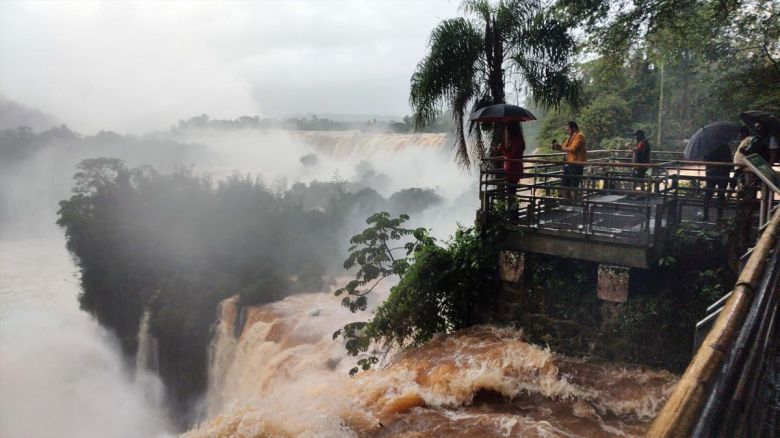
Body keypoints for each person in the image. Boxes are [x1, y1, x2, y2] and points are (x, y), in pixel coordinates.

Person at [496, 121, 525, 218]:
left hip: (513, 170)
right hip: (514, 170)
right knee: (512, 193)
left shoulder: (516, 141)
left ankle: (513, 215)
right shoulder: (517, 139)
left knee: (511, 193)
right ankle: (513, 214)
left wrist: (502, 149)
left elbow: (511, 156)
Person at [554, 121, 587, 199]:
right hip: (568, 164)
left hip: (576, 164)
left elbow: (573, 149)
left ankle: (574, 203)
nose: (567, 130)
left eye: (568, 129)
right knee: (565, 184)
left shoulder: (579, 136)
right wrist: (557, 147)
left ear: (574, 128)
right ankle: (566, 202)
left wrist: (561, 148)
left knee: (574, 185)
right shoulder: (570, 136)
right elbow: (564, 147)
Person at [702, 142, 732, 221]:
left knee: (708, 193)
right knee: (721, 194)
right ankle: (719, 217)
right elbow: (729, 161)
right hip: (723, 173)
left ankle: (705, 215)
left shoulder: (708, 146)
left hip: (711, 173)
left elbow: (705, 159)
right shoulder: (725, 146)